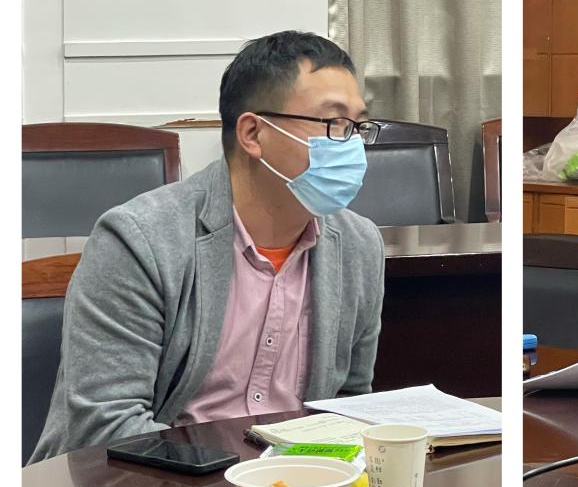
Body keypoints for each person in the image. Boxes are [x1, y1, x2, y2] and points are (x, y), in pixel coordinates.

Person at [32, 31, 386, 462]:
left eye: (357, 127)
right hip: (145, 485)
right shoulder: (139, 240)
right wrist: (247, 476)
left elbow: (346, 405)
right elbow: (106, 426)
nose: (352, 145)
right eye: (333, 124)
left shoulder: (359, 246)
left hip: (293, 485)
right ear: (253, 133)